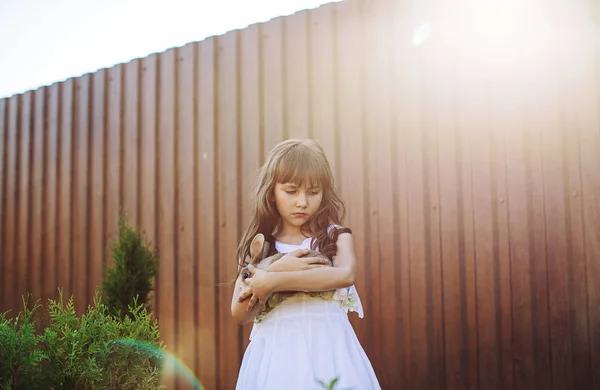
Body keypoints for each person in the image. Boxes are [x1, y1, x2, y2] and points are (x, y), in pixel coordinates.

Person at [231, 138, 381, 390]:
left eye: (313, 192)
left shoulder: (335, 235)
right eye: (291, 191)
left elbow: (344, 274)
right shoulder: (262, 245)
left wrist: (272, 280)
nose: (302, 202)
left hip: (329, 349)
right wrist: (276, 267)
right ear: (272, 192)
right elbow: (239, 312)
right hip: (276, 357)